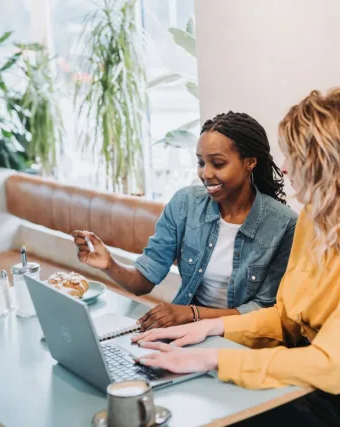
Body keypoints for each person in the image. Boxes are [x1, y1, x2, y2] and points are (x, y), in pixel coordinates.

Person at [130, 88, 340, 426]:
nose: (284, 169)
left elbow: (331, 366)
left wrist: (213, 360)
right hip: (314, 380)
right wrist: (210, 327)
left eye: (292, 157)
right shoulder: (314, 218)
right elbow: (285, 318)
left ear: (321, 161)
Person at [72, 112, 297, 331]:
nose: (205, 174)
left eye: (217, 164)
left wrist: (192, 314)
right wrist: (110, 265)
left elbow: (264, 310)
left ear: (250, 163)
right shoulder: (185, 204)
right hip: (185, 331)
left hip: (241, 339)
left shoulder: (284, 225)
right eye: (201, 163)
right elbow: (143, 282)